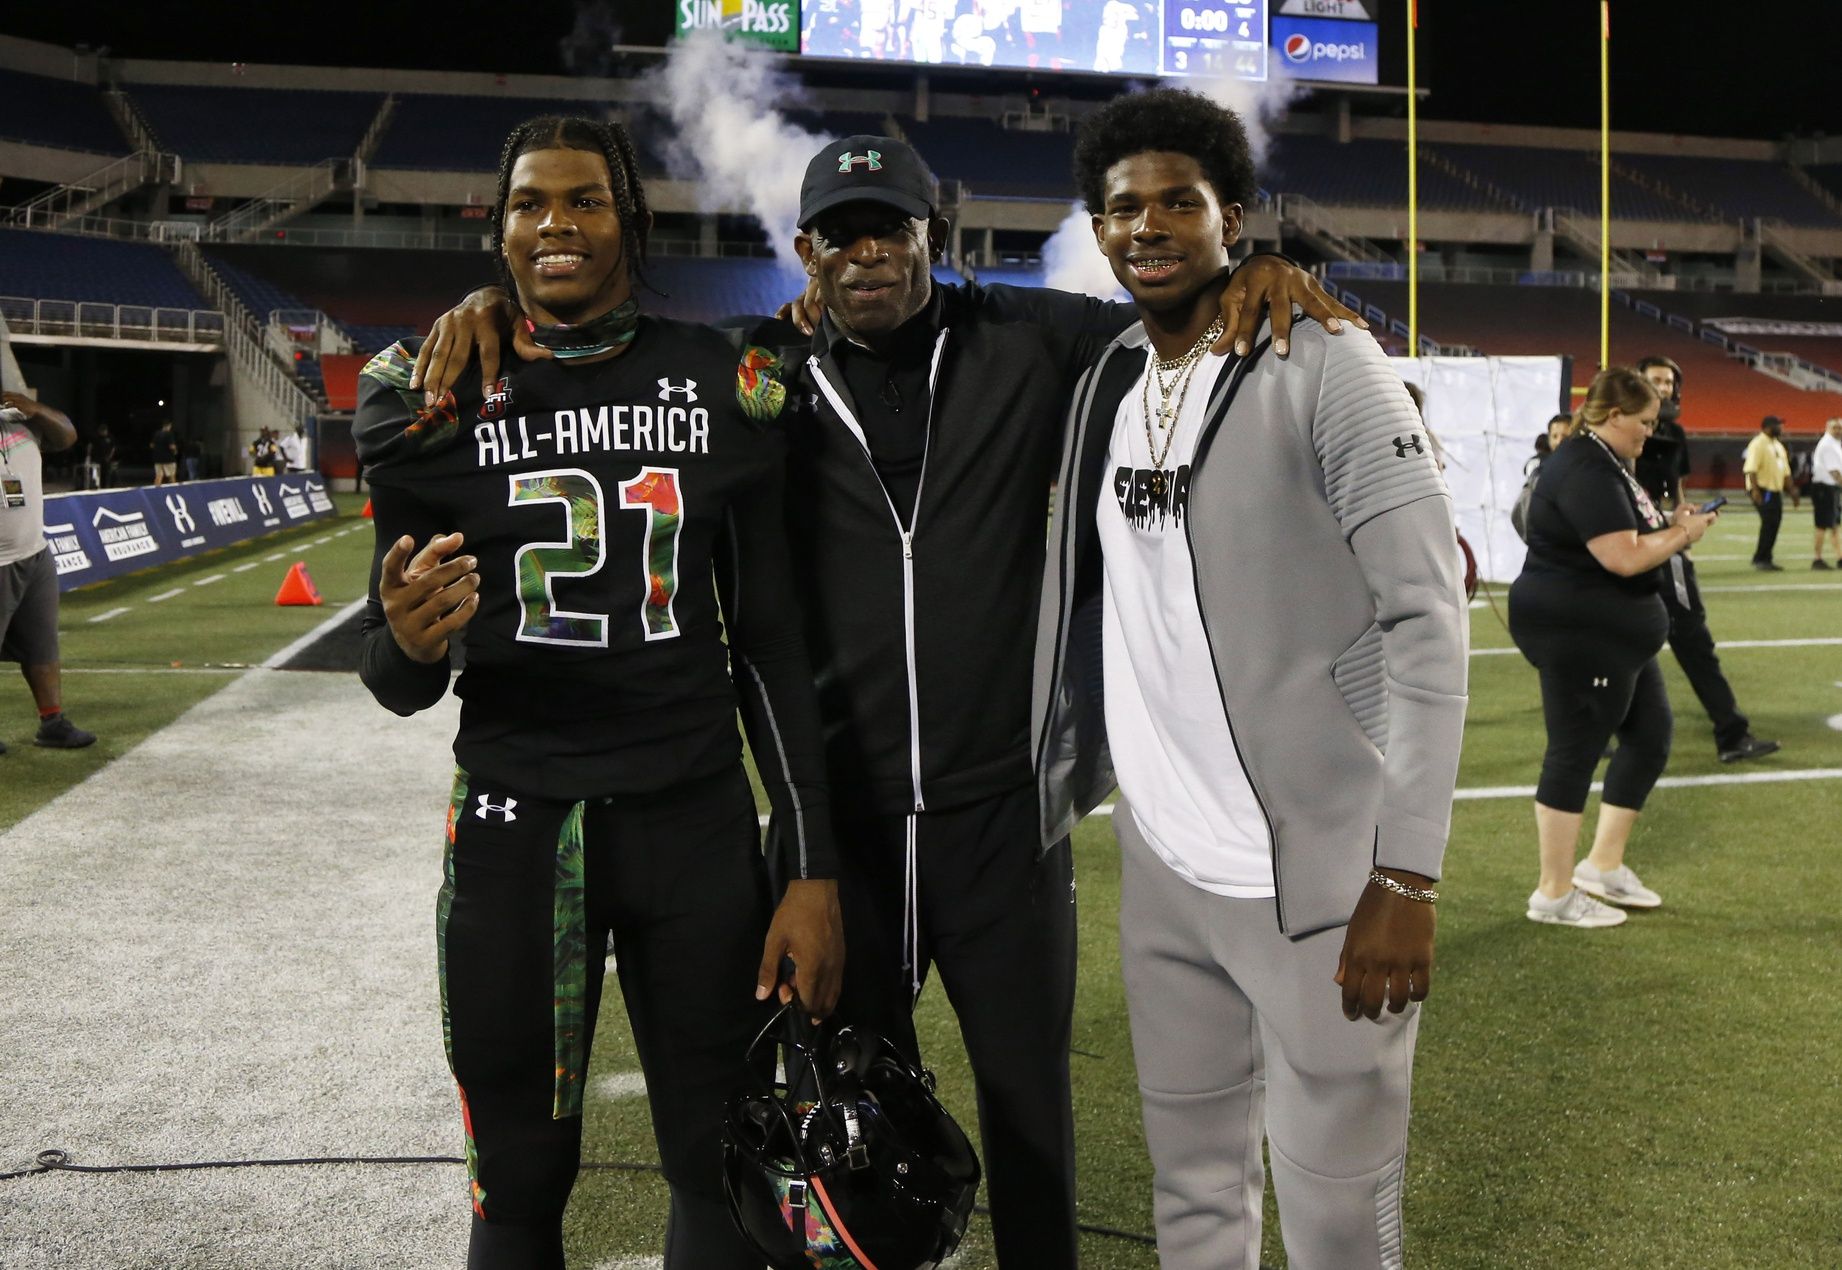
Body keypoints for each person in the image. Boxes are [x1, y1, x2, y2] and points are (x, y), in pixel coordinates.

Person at [417, 131, 1356, 1265]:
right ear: (806, 251)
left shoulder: (1026, 338)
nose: (869, 256)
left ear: (933, 236)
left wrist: (1249, 275)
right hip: (842, 828)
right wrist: (481, 301)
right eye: (843, 235)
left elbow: (1172, 322)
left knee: (1028, 1115)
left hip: (1000, 818)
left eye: (892, 230)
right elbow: (593, 346)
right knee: (838, 1133)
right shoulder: (757, 376)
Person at [354, 115, 844, 1270]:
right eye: (531, 202)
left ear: (631, 219)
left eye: (585, 200)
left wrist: (811, 862)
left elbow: (770, 643)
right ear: (499, 225)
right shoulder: (427, 392)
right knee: (517, 1179)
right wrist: (414, 648)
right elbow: (393, 677)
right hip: (520, 824)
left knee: (720, 1165)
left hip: (695, 823)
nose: (557, 223)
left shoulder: (731, 379)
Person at [1033, 88, 1469, 1269]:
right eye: (1124, 207)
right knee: (1194, 1192)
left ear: (1237, 216)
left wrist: (1409, 874)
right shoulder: (1107, 375)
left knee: (1336, 1214)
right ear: (1097, 227)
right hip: (1165, 865)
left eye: (1182, 199)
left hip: (1319, 879)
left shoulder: (1326, 361)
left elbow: (1430, 619)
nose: (1150, 224)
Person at [1511, 369, 1719, 929]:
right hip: (1580, 632)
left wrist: (1671, 523)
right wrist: (1684, 536)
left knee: (1650, 737)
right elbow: (1622, 557)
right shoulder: (1584, 464)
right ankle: (1552, 894)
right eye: (1644, 422)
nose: (1649, 434)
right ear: (1611, 415)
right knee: (1575, 752)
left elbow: (1633, 533)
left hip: (1613, 635)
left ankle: (1601, 865)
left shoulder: (1605, 462)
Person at [1632, 356, 1778, 764]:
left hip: (1664, 544)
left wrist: (1683, 528)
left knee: (1691, 636)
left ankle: (1730, 730)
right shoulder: (1620, 429)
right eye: (1655, 380)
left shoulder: (1673, 433)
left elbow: (1673, 490)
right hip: (1628, 546)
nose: (1663, 388)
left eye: (1668, 382)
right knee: (1621, 638)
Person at [1, 389, 97, 754]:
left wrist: (34, 408)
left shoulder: (23, 422)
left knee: (42, 645)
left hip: (34, 554)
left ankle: (52, 722)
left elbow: (67, 435)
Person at [1743, 413, 1793, 570]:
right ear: (1767, 427)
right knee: (1769, 523)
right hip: (1764, 490)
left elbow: (1785, 471)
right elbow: (1751, 469)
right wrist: (1755, 491)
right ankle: (1761, 558)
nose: (1781, 428)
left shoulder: (1778, 445)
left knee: (1774, 524)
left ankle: (1765, 557)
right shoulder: (1758, 444)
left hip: (1775, 491)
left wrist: (1792, 491)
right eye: (1778, 425)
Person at [1809, 418, 1841, 569]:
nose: (1838, 430)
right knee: (1822, 524)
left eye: (1840, 428)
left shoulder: (1834, 443)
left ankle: (1840, 557)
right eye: (1835, 428)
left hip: (1830, 487)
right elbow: (1834, 471)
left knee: (1834, 524)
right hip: (1824, 487)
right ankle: (1817, 559)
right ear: (1827, 428)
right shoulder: (1828, 444)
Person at [150, 420, 178, 486]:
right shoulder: (169, 434)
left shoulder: (156, 433)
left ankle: (156, 490)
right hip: (168, 458)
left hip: (157, 458)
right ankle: (173, 490)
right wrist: (175, 450)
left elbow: (152, 445)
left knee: (158, 475)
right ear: (169, 426)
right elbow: (172, 446)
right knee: (171, 475)